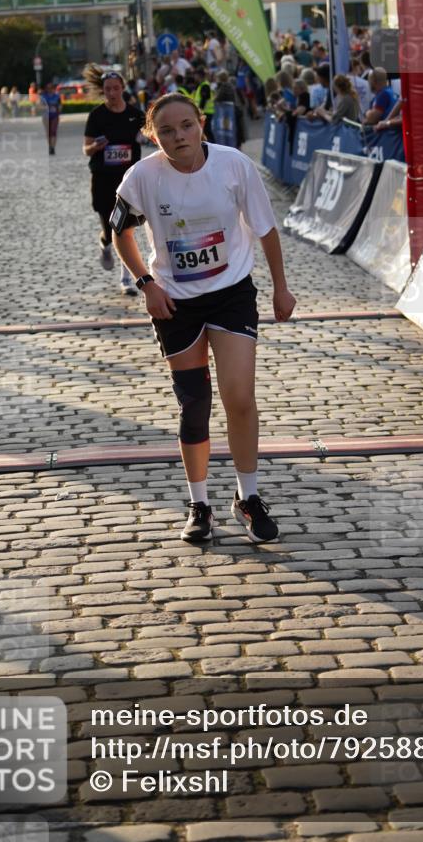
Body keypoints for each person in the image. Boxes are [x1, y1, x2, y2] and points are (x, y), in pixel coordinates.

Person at [112, 93, 296, 543]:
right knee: (194, 404)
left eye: (187, 126)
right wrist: (146, 284)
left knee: (239, 397)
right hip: (175, 301)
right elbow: (119, 231)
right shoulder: (142, 177)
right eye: (168, 131)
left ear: (202, 125)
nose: (180, 137)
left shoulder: (233, 165)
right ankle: (199, 506)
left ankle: (247, 498)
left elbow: (267, 228)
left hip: (231, 294)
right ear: (153, 136)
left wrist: (281, 287)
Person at [82, 64, 145, 292]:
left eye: (115, 88)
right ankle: (105, 244)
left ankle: (126, 278)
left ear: (122, 89)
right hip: (102, 178)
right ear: (103, 90)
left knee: (125, 228)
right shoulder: (96, 116)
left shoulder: (135, 115)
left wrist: (145, 137)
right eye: (107, 89)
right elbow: (85, 149)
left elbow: (150, 135)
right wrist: (95, 146)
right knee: (110, 230)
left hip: (128, 180)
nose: (111, 93)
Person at [40, 82, 61, 155]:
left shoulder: (57, 96)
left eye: (51, 88)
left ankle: (53, 147)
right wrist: (47, 107)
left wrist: (57, 109)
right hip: (46, 116)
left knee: (53, 132)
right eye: (48, 88)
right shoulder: (43, 96)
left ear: (53, 88)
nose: (50, 89)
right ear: (46, 89)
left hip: (54, 115)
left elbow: (60, 106)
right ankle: (49, 146)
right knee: (48, 132)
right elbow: (40, 106)